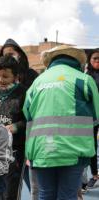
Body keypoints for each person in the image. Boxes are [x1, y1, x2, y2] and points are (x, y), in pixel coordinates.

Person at [23, 45, 99, 200]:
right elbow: (96, 115)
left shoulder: (37, 82)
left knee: (45, 194)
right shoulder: (84, 80)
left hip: (41, 149)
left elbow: (27, 113)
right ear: (77, 61)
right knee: (68, 195)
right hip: (73, 149)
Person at [0, 55, 27, 200]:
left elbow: (30, 120)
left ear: (15, 77)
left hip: (15, 149)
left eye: (5, 77)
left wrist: (16, 127)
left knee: (10, 191)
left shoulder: (23, 93)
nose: (0, 80)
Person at [85, 48, 99, 188]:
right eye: (95, 58)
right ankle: (94, 175)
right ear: (90, 60)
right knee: (92, 146)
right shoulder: (86, 76)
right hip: (92, 116)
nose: (97, 61)